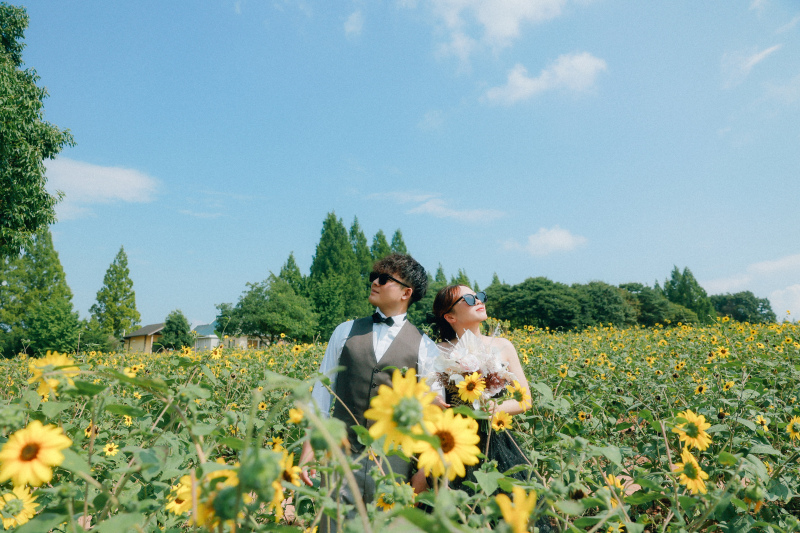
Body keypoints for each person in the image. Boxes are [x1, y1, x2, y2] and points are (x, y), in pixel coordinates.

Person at [299, 253, 443, 531]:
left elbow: (435, 416)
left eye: (384, 279)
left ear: (406, 292)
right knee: (334, 525)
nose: (374, 282)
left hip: (394, 462)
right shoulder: (344, 332)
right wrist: (309, 448)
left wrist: (423, 473)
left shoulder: (426, 347)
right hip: (340, 455)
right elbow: (322, 392)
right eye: (373, 277)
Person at [430, 284, 533, 492]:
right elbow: (431, 396)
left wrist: (496, 408)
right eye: (468, 299)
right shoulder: (437, 351)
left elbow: (526, 399)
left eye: (479, 296)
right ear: (450, 317)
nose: (478, 301)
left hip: (496, 441)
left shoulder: (503, 346)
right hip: (455, 442)